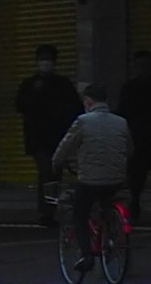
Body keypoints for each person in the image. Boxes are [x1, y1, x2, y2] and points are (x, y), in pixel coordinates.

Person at [51, 92, 137, 272]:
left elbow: (66, 146)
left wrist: (56, 162)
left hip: (90, 181)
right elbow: (129, 150)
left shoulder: (82, 121)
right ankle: (112, 232)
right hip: (116, 179)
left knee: (79, 214)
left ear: (88, 102)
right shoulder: (121, 122)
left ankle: (87, 255)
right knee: (108, 203)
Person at [19, 46, 86, 233]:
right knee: (47, 172)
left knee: (54, 174)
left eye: (47, 59)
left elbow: (76, 109)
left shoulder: (63, 85)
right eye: (42, 59)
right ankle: (45, 212)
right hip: (39, 139)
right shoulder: (30, 85)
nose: (45, 62)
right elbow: (21, 105)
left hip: (58, 137)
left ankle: (51, 209)